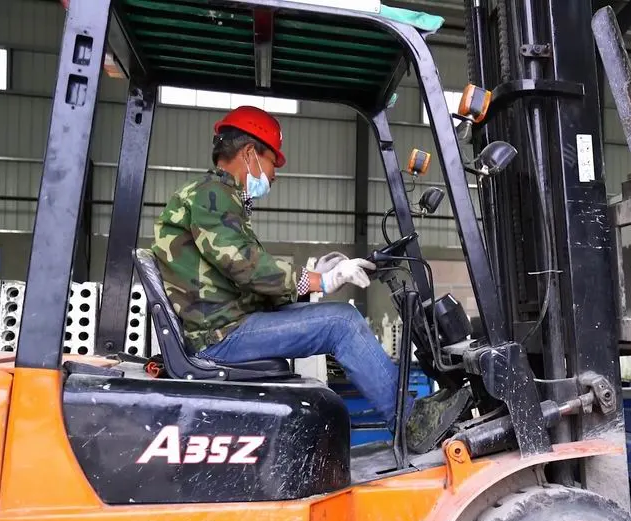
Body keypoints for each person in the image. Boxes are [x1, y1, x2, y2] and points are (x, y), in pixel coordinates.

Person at [151, 105, 469, 452]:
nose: (273, 176)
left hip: (227, 323)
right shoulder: (211, 195)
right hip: (222, 335)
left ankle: (408, 415)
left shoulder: (214, 198)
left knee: (339, 318)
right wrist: (320, 281)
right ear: (249, 154)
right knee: (342, 323)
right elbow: (244, 266)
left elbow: (239, 277)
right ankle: (409, 423)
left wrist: (315, 279)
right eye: (273, 162)